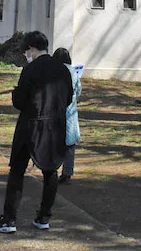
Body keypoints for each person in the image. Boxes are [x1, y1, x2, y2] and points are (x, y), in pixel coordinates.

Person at [0, 31, 73, 234]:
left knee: (17, 171)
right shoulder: (63, 70)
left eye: (25, 51)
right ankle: (44, 217)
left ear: (30, 49)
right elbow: (69, 98)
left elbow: (20, 101)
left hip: (31, 125)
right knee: (51, 170)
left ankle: (9, 219)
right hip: (55, 126)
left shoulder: (30, 70)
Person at [52, 48, 81, 184]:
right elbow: (78, 90)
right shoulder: (74, 72)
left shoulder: (54, 71)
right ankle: (67, 172)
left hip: (55, 111)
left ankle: (52, 170)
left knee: (54, 142)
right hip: (71, 112)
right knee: (69, 145)